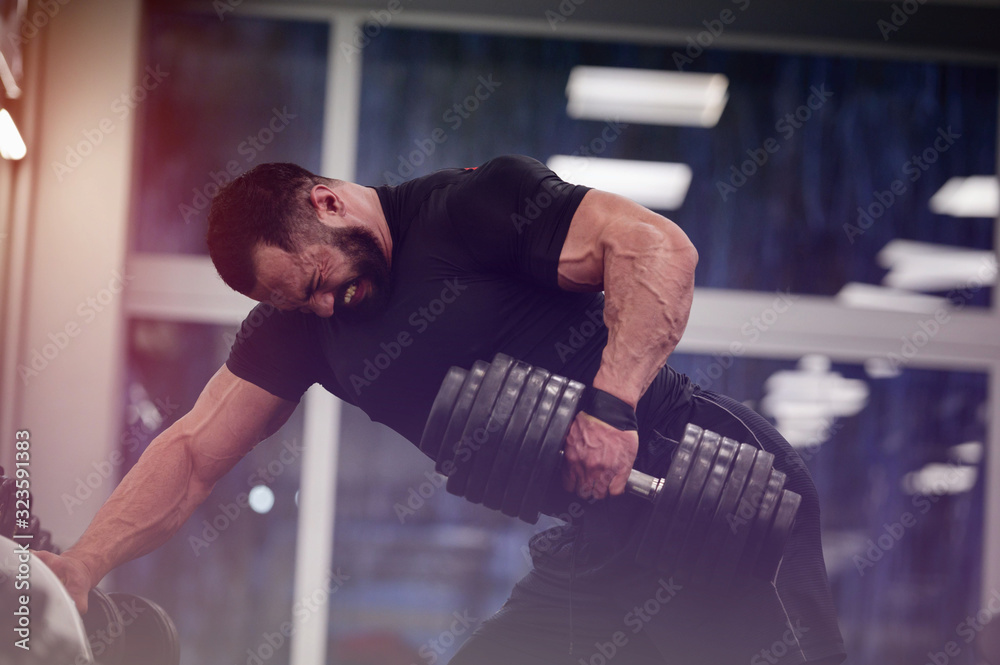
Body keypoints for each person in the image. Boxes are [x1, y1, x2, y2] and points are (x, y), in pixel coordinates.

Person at [36, 155, 845, 664]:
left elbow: (657, 248)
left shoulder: (469, 209)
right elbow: (189, 454)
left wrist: (613, 405)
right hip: (599, 535)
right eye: (300, 303)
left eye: (316, 281)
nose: (323, 307)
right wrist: (78, 568)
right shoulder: (307, 330)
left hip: (714, 487)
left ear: (325, 203)